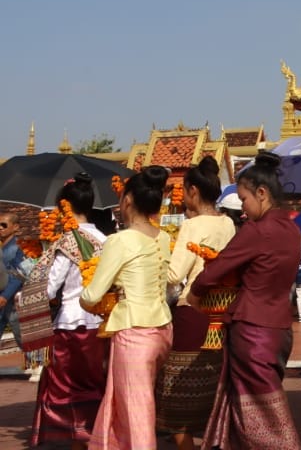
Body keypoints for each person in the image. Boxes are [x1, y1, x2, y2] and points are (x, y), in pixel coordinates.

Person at [188, 151, 301, 449]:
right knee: (257, 406)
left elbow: (218, 268)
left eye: (244, 200)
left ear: (262, 194)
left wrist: (195, 292)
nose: (242, 208)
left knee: (262, 416)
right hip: (279, 328)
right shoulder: (292, 229)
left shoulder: (257, 230)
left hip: (253, 329)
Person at [80, 165, 174, 450]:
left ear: (129, 200)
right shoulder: (164, 237)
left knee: (136, 411)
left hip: (134, 333)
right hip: (162, 330)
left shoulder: (119, 241)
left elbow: (92, 294)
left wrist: (84, 296)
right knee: (128, 404)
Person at [156, 165, 237, 449]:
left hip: (194, 309)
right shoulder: (227, 223)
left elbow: (174, 274)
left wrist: (156, 252)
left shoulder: (192, 225)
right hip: (223, 312)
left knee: (174, 396)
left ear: (193, 191)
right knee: (214, 385)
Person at [31, 176, 108, 449]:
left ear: (65, 207)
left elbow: (49, 289)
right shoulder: (104, 238)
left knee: (66, 388)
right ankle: (94, 436)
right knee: (95, 383)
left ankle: (76, 438)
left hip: (72, 322)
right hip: (100, 322)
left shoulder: (69, 241)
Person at [0, 209, 28, 348]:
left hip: (14, 300)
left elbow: (20, 273)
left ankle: (36, 365)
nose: (0, 228)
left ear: (15, 227)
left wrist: (5, 296)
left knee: (22, 336)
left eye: (4, 225)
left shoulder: (19, 247)